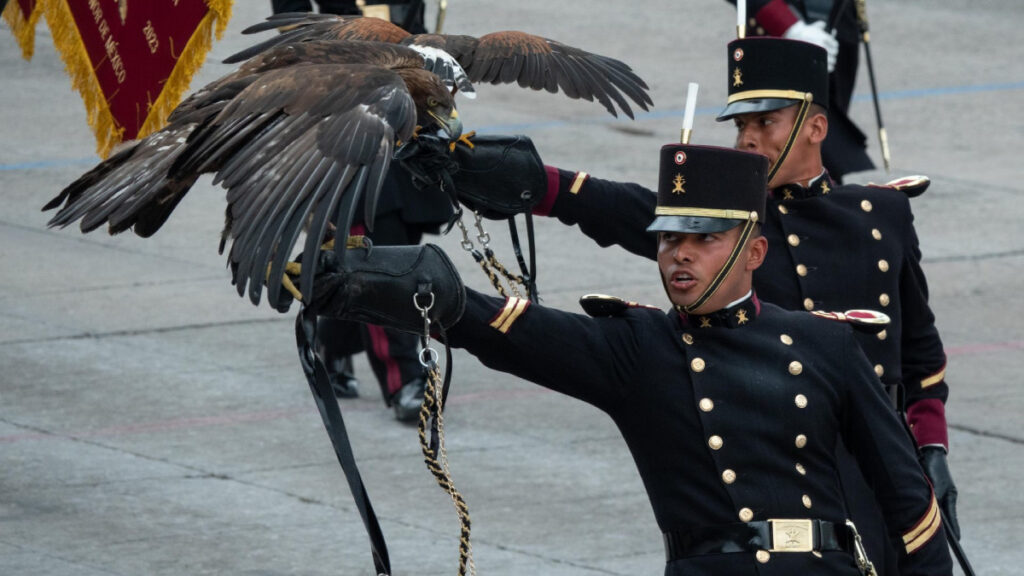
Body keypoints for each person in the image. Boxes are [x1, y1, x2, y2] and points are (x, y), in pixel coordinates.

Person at [408, 36, 958, 573]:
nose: (747, 140)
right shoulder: (724, 225)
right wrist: (520, 179)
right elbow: (614, 205)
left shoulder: (880, 213)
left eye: (764, 123)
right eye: (741, 125)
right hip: (774, 452)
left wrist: (931, 446)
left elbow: (920, 353)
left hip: (877, 453)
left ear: (815, 127)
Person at [285, 142, 953, 575]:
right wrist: (412, 292)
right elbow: (507, 329)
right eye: (668, 240)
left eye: (703, 239)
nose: (679, 255)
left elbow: (910, 509)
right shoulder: (639, 350)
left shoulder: (826, 344)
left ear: (753, 251)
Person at [270, 0, 443, 420]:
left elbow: (417, 28)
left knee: (403, 235)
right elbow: (291, 34)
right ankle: (406, 379)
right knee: (378, 254)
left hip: (407, 113)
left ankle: (331, 337)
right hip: (345, 120)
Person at [727, 0, 873, 181]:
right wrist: (787, 25)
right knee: (772, 144)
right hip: (778, 31)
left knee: (818, 146)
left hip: (838, 23)